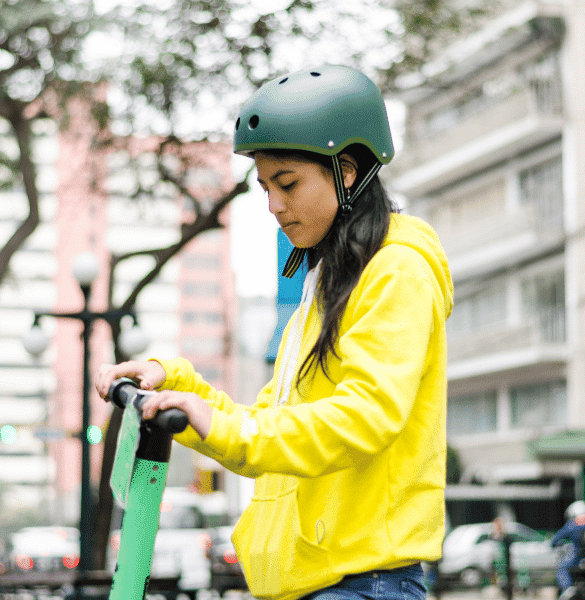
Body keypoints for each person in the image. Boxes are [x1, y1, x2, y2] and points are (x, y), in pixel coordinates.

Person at [96, 64, 453, 600]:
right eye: (265, 188)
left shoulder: (396, 271)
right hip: (311, 583)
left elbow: (364, 418)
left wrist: (213, 420)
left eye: (287, 184)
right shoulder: (330, 282)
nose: (274, 207)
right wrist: (178, 388)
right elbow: (266, 427)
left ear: (348, 170)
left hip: (359, 584)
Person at [551, 500, 585, 596]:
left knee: (561, 567)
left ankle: (567, 589)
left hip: (577, 557)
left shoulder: (573, 524)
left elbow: (555, 540)